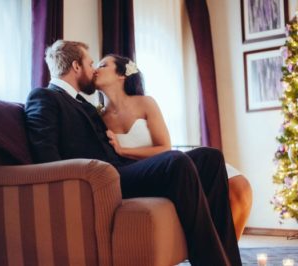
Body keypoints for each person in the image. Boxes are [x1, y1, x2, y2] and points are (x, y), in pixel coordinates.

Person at [25, 40, 242, 265]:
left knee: (210, 157)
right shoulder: (43, 97)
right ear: (76, 66)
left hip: (121, 167)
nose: (94, 70)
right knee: (175, 162)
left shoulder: (85, 105)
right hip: (102, 179)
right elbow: (46, 157)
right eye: (90, 64)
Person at [94, 54, 253, 241]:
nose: (96, 69)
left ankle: (226, 250)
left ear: (122, 74)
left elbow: (165, 147)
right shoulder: (97, 117)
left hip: (170, 162)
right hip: (155, 175)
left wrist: (124, 150)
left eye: (103, 65)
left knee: (240, 187)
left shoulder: (146, 103)